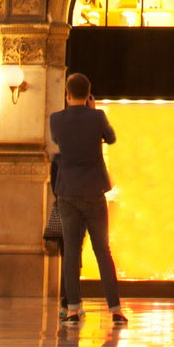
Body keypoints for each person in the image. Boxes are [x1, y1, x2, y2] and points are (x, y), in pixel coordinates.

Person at [50, 71, 127, 328]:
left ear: (67, 94)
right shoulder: (97, 117)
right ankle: (114, 308)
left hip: (67, 192)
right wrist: (93, 112)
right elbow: (112, 138)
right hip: (94, 191)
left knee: (71, 251)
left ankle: (72, 309)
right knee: (102, 250)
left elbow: (58, 142)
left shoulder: (56, 120)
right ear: (88, 94)